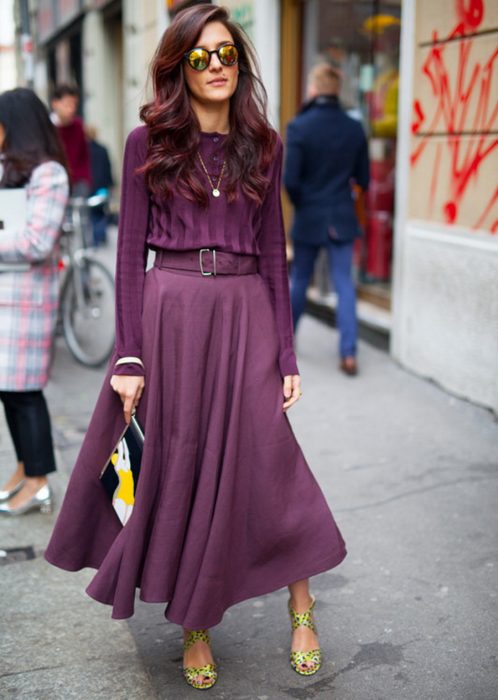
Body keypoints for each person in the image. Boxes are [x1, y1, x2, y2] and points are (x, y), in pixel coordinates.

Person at [45, 5, 346, 691]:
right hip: (170, 314)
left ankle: (302, 604)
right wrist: (128, 355)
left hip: (245, 314)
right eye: (202, 56)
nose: (217, 66)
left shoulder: (265, 144)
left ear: (240, 65)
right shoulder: (146, 143)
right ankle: (196, 620)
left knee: (269, 458)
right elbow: (127, 258)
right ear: (179, 65)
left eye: (228, 54)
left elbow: (274, 250)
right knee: (181, 465)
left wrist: (288, 356)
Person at [0, 88, 69, 515]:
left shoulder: (49, 174)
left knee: (25, 393)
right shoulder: (10, 171)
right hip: (6, 298)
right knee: (7, 390)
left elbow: (38, 241)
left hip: (26, 303)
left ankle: (40, 480)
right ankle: (24, 468)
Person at [285, 63, 370, 376]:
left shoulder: (299, 127)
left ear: (314, 90)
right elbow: (364, 178)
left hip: (309, 215)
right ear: (336, 91)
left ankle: (285, 345)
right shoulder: (353, 127)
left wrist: (303, 204)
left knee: (300, 281)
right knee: (344, 282)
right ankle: (349, 354)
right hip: (341, 216)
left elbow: (290, 180)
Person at [50, 84, 91, 196]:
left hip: (77, 184)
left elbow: (84, 156)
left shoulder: (78, 125)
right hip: (54, 184)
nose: (71, 109)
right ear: (55, 103)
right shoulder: (47, 128)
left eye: (74, 105)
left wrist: (85, 180)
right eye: (67, 105)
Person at [86, 125, 114, 246]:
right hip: (102, 185)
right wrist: (111, 184)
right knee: (101, 210)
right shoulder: (103, 149)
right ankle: (100, 235)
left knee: (91, 212)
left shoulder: (84, 151)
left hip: (89, 185)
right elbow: (108, 168)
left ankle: (95, 238)